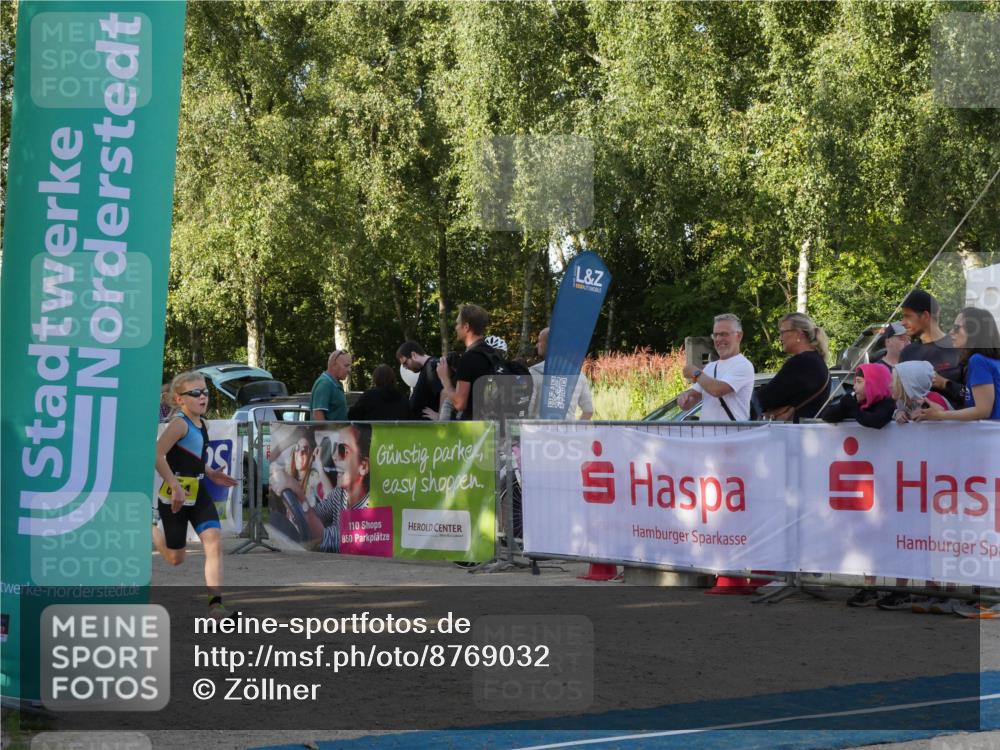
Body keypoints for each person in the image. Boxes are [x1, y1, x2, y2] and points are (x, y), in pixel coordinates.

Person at [154, 371, 238, 618]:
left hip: (198, 493)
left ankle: (216, 606)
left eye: (205, 392)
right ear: (180, 400)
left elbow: (193, 459)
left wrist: (211, 473)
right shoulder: (179, 424)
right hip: (174, 497)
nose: (203, 397)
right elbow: (157, 455)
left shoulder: (203, 423)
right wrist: (174, 484)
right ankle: (149, 527)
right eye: (195, 393)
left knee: (214, 542)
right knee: (175, 558)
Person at [916, 307, 1000, 422]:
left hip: (989, 437)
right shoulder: (991, 360)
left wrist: (940, 414)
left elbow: (983, 410)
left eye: (956, 328)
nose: (951, 332)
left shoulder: (978, 360)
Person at [677, 314, 754, 421]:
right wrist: (685, 398)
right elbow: (693, 397)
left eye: (724, 334)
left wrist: (695, 372)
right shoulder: (710, 367)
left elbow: (717, 390)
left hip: (732, 436)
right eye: (715, 335)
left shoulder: (743, 365)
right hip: (708, 436)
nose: (718, 339)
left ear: (739, 336)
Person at [308, 423, 372, 552]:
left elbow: (326, 538)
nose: (334, 456)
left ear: (363, 466)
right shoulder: (340, 493)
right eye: (335, 449)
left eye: (343, 450)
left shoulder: (371, 507)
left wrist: (296, 491)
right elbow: (316, 515)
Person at [755, 312, 830, 421]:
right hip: (807, 431)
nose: (780, 338)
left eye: (782, 332)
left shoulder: (802, 362)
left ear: (799, 334)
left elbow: (767, 398)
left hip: (795, 433)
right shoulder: (816, 361)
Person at [898, 289, 962, 407]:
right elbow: (900, 396)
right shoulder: (907, 352)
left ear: (925, 316)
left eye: (907, 316)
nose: (902, 322)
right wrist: (900, 410)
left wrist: (945, 384)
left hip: (955, 424)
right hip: (915, 425)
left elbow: (972, 396)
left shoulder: (958, 347)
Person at [437, 304, 496, 420]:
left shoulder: (468, 358)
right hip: (494, 425)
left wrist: (444, 378)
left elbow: (459, 404)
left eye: (458, 323)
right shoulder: (494, 354)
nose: (456, 327)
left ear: (466, 327)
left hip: (474, 429)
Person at [529, 327, 595, 420]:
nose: (537, 345)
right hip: (567, 432)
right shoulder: (579, 375)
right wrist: (575, 430)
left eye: (540, 341)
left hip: (540, 432)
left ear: (550, 344)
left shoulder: (534, 372)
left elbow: (529, 409)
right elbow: (588, 411)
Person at [821, 363, 894, 429]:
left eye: (859, 382)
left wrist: (853, 409)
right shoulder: (858, 402)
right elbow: (826, 415)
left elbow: (876, 421)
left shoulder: (887, 403)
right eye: (855, 382)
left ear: (873, 385)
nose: (854, 387)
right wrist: (842, 406)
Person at [397, 341, 442, 420]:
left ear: (413, 355)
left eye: (405, 363)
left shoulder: (431, 367)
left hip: (432, 428)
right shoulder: (426, 369)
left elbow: (444, 392)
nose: (405, 367)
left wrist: (441, 416)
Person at [311, 349, 352, 421]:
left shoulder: (336, 383)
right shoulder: (325, 384)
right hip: (330, 432)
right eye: (346, 366)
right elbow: (318, 414)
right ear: (333, 365)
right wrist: (326, 432)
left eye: (349, 366)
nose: (349, 370)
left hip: (337, 432)